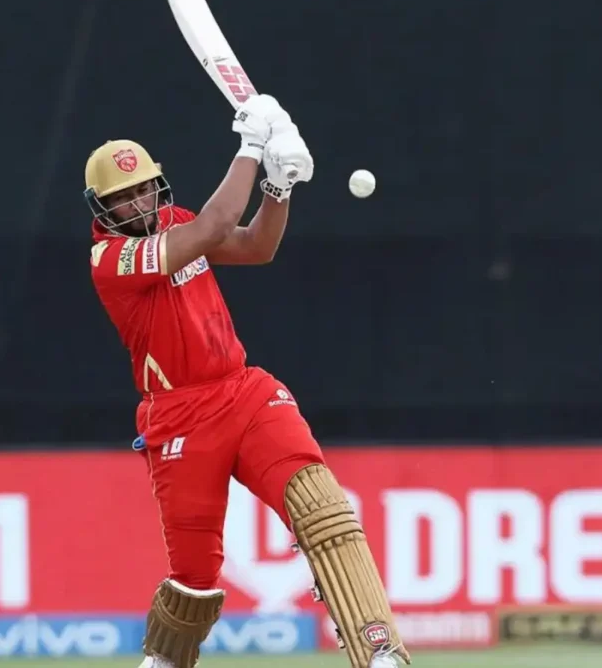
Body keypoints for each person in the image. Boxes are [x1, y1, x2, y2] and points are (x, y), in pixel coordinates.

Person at [85, 94, 409, 668]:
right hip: (179, 417)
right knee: (194, 576)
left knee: (323, 510)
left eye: (144, 189)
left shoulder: (176, 222)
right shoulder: (111, 259)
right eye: (122, 197)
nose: (138, 203)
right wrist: (252, 148)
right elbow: (214, 226)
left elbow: (257, 247)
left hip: (244, 392)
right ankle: (165, 659)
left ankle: (378, 649)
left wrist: (278, 189)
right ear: (102, 208)